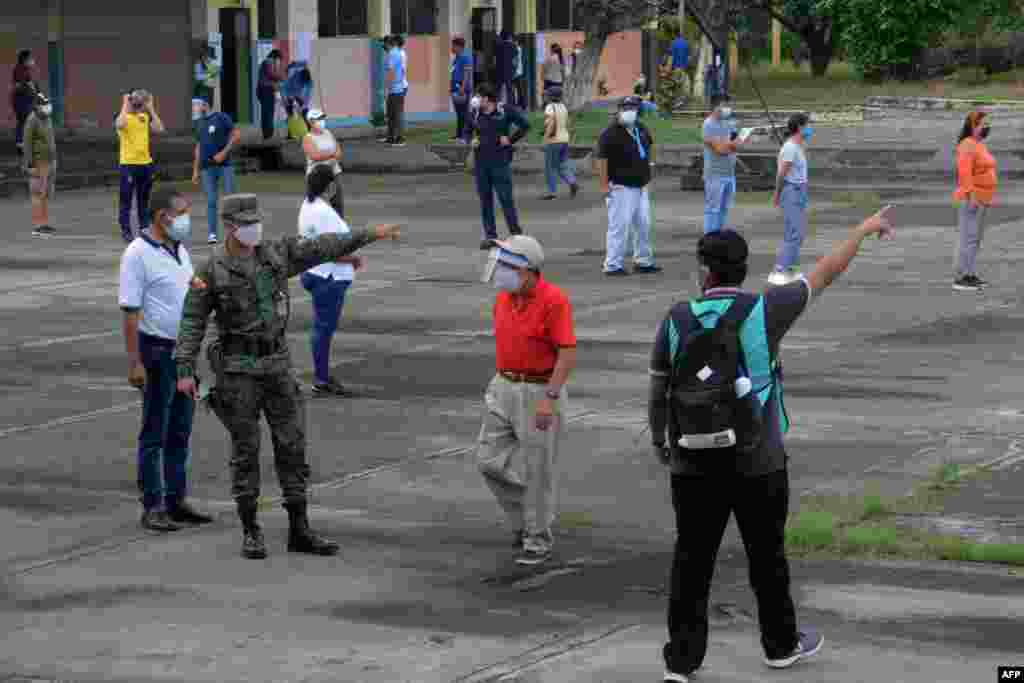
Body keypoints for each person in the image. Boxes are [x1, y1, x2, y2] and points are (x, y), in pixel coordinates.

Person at [648, 207, 895, 683]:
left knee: (691, 560)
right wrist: (861, 230)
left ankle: (681, 661)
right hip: (758, 461)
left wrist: (663, 443)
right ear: (743, 270)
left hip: (691, 462)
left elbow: (659, 389)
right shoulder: (766, 310)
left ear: (703, 270)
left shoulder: (676, 320)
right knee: (767, 556)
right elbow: (825, 273)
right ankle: (781, 645)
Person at [174, 194, 401, 559]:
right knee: (245, 451)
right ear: (230, 226)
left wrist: (368, 234)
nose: (254, 229)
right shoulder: (210, 270)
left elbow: (323, 246)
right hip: (237, 371)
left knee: (292, 446)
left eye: (256, 222)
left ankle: (300, 527)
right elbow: (191, 321)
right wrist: (184, 369)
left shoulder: (274, 254)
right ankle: (250, 528)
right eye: (247, 223)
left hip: (277, 366)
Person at [477, 235, 576, 566]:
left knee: (539, 469)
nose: (499, 270)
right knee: (488, 460)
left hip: (538, 390)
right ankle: (531, 516)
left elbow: (566, 352)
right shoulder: (504, 298)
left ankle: (537, 536)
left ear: (528, 270)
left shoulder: (553, 300)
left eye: (507, 264)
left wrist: (549, 397)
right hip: (504, 384)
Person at [119, 187, 214, 533]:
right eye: (183, 212)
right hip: (157, 352)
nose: (187, 219)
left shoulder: (179, 249)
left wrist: (201, 286)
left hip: (184, 352)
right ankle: (153, 505)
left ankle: (176, 500)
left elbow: (187, 283)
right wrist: (135, 363)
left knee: (180, 430)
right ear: (163, 216)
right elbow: (130, 313)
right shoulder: (137, 255)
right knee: (154, 432)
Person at [298, 166, 362, 397]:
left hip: (316, 272)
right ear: (330, 186)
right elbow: (329, 249)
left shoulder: (309, 206)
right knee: (323, 329)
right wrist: (352, 259)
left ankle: (322, 375)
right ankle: (321, 378)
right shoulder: (323, 212)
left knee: (322, 328)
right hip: (329, 275)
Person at [595, 96, 662, 276]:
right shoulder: (610, 133)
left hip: (641, 185)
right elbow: (601, 160)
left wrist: (651, 166)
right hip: (620, 186)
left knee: (643, 224)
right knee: (620, 226)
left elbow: (651, 146)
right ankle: (613, 264)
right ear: (619, 110)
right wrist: (603, 185)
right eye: (626, 108)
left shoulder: (640, 128)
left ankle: (643, 260)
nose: (630, 111)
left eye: (633, 108)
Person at [465, 83, 530, 250]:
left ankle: (516, 234)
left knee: (505, 199)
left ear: (486, 98)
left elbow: (525, 125)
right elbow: (466, 130)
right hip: (481, 164)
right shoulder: (475, 113)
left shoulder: (504, 111)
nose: (476, 100)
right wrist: (470, 140)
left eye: (478, 96)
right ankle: (490, 236)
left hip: (500, 162)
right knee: (485, 200)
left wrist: (510, 139)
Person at [952, 110, 997, 292]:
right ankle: (961, 277)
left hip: (983, 198)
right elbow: (964, 173)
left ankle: (969, 273)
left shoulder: (979, 144)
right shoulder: (967, 145)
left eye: (987, 123)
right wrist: (971, 196)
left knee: (975, 239)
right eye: (982, 124)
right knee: (968, 238)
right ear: (972, 126)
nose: (986, 127)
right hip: (972, 198)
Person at [769, 113, 813, 286]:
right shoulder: (790, 148)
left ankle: (790, 268)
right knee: (794, 233)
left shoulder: (797, 146)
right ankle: (782, 269)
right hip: (791, 191)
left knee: (796, 234)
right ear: (800, 127)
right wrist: (777, 194)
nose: (810, 128)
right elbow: (782, 174)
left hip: (799, 191)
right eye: (808, 125)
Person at [116, 89, 165, 244]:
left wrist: (151, 109)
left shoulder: (143, 117)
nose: (137, 103)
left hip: (145, 164)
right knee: (126, 200)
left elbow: (159, 128)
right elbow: (120, 124)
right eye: (135, 100)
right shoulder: (123, 117)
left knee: (144, 200)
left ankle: (144, 228)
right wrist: (125, 103)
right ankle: (126, 230)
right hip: (128, 165)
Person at [192, 97, 240, 244]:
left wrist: (224, 153)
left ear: (205, 105)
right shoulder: (199, 122)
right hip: (207, 168)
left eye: (196, 105)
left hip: (225, 165)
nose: (194, 108)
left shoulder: (221, 117)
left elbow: (236, 135)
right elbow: (199, 146)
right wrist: (195, 170)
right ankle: (212, 233)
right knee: (211, 201)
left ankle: (233, 233)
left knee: (229, 199)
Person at [702, 102, 745, 235]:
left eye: (729, 105)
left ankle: (719, 234)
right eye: (724, 105)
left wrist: (734, 142)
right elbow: (720, 149)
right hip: (715, 174)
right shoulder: (708, 124)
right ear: (715, 107)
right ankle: (710, 236)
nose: (728, 109)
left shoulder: (728, 122)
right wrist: (733, 144)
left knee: (724, 208)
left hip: (729, 173)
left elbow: (737, 141)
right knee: (713, 208)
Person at [23, 93, 57, 238]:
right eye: (43, 104)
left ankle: (44, 222)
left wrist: (54, 159)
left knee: (45, 194)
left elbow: (51, 139)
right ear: (37, 106)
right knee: (37, 194)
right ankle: (38, 225)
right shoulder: (32, 119)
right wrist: (30, 164)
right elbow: (27, 143)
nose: (47, 106)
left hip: (49, 161)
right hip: (38, 161)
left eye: (47, 103)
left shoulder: (47, 118)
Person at [302, 109, 345, 218]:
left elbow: (338, 150)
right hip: (317, 175)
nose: (322, 121)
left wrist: (331, 154)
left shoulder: (328, 133)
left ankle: (339, 226)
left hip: (334, 172)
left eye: (322, 119)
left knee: (337, 202)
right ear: (311, 122)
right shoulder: (308, 138)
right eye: (319, 119)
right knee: (316, 204)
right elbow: (315, 155)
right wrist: (332, 153)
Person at [541, 86, 578, 200]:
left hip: (553, 141)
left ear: (551, 97)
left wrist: (545, 139)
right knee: (562, 165)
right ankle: (572, 182)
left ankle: (552, 193)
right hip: (564, 140)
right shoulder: (563, 107)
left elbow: (550, 124)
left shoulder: (549, 107)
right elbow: (568, 124)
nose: (546, 96)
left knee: (550, 168)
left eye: (547, 95)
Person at [10, 49, 39, 153]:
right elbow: (19, 86)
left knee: (24, 122)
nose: (32, 61)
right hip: (20, 100)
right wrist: (29, 86)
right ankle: (22, 145)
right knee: (25, 122)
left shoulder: (25, 70)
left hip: (24, 100)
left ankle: (22, 144)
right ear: (25, 59)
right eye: (30, 58)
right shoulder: (19, 70)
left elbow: (31, 85)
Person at [385, 35, 409, 147]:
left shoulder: (393, 54)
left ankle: (400, 138)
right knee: (392, 114)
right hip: (397, 87)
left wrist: (387, 88)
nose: (383, 45)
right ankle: (392, 137)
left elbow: (391, 72)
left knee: (396, 114)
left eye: (385, 43)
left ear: (389, 43)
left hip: (396, 88)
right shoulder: (397, 53)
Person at [450, 36, 474, 142]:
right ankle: (459, 134)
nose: (452, 48)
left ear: (459, 46)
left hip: (462, 88)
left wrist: (463, 88)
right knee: (459, 113)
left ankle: (466, 135)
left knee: (464, 113)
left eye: (453, 46)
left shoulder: (465, 57)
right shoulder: (456, 58)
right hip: (455, 87)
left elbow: (466, 73)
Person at [257, 49, 284, 140]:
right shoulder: (269, 61)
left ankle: (266, 134)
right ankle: (268, 134)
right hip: (266, 89)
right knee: (268, 112)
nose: (279, 61)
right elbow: (271, 74)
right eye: (279, 59)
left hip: (262, 89)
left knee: (265, 112)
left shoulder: (266, 61)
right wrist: (281, 77)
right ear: (276, 57)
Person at [282, 60, 314, 132]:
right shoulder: (294, 77)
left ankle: (309, 129)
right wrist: (286, 99)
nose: (303, 84)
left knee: (304, 112)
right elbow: (285, 88)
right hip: (289, 93)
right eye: (302, 81)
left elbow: (307, 96)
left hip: (298, 95)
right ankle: (290, 133)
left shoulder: (309, 81)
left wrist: (303, 107)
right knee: (290, 113)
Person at [495, 30, 516, 105]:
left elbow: (495, 56)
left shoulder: (498, 45)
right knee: (509, 89)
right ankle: (511, 104)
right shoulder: (513, 46)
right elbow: (514, 57)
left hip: (499, 70)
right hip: (509, 70)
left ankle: (497, 104)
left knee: (498, 89)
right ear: (509, 37)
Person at [512, 39, 526, 108]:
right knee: (519, 88)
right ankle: (522, 104)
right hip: (519, 71)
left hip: (516, 72)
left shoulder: (516, 49)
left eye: (514, 41)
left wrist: (514, 71)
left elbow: (516, 61)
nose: (513, 42)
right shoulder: (519, 48)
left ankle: (520, 104)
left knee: (517, 88)